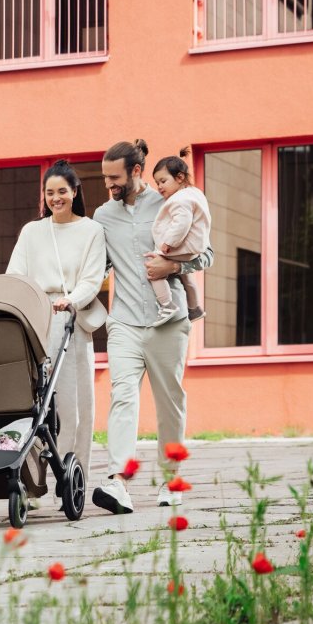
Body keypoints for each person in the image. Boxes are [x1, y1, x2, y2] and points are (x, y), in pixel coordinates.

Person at [91, 140, 213, 514]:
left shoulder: (170, 201)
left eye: (114, 177)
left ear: (136, 171)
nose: (109, 184)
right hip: (124, 321)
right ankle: (118, 481)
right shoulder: (102, 216)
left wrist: (173, 267)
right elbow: (98, 266)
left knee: (170, 402)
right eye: (105, 177)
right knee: (122, 396)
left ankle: (171, 479)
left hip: (168, 322)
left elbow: (206, 255)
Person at [6, 159, 106, 474]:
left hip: (70, 319)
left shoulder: (91, 230)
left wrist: (70, 300)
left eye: (62, 191)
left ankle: (73, 472)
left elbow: (91, 279)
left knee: (74, 403)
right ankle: (31, 473)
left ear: (75, 191)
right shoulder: (32, 231)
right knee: (34, 401)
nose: (55, 198)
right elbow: (16, 274)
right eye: (49, 193)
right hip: (36, 318)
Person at [149, 148, 211, 327]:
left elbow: (181, 223)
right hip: (194, 248)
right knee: (187, 276)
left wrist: (168, 243)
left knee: (153, 268)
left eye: (163, 181)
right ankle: (195, 308)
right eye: (157, 183)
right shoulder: (195, 194)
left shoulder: (180, 199)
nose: (159, 187)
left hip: (182, 246)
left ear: (180, 177)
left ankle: (166, 305)